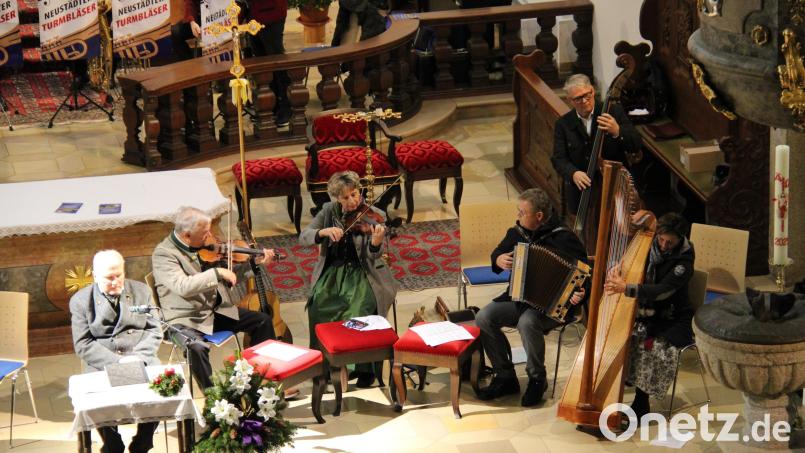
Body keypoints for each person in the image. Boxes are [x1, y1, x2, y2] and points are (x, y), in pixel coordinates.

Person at [475, 188, 588, 407]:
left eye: (522, 212)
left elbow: (585, 273)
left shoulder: (563, 237)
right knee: (483, 317)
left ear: (539, 216)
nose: (517, 216)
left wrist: (581, 294)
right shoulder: (518, 233)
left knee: (527, 322)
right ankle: (505, 375)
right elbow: (496, 253)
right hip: (519, 298)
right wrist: (498, 260)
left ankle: (537, 379)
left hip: (555, 308)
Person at [151, 206, 276, 390]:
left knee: (262, 321)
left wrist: (254, 263)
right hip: (184, 319)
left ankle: (263, 382)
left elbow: (228, 279)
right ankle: (212, 399)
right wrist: (217, 272)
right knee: (196, 347)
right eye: (204, 232)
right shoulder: (164, 254)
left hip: (212, 311)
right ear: (187, 235)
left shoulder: (200, 246)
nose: (209, 236)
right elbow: (182, 286)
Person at [299, 170, 398, 387]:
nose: (352, 201)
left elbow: (373, 257)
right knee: (318, 305)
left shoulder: (374, 214)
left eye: (354, 194)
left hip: (364, 273)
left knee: (359, 308)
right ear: (337, 198)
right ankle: (327, 365)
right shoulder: (328, 211)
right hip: (333, 273)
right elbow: (304, 236)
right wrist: (323, 233)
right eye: (345, 197)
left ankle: (364, 368)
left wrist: (375, 242)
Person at [604, 212, 695, 420]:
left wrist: (627, 287)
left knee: (649, 346)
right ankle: (616, 391)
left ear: (680, 238)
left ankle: (641, 402)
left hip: (672, 318)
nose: (663, 245)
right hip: (647, 313)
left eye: (669, 242)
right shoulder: (647, 244)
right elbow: (628, 267)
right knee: (617, 337)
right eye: (661, 239)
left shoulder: (684, 262)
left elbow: (662, 291)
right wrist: (618, 269)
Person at [70, 250, 162, 453]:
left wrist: (139, 357)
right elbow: (83, 343)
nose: (115, 281)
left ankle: (143, 442)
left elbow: (154, 330)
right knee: (96, 401)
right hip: (103, 362)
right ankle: (112, 442)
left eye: (119, 275)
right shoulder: (80, 301)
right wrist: (117, 362)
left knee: (161, 391)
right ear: (95, 276)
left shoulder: (141, 291)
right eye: (109, 278)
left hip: (140, 356)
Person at [550, 73, 641, 214]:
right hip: (583, 192)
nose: (585, 101)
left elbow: (635, 144)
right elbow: (558, 159)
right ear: (570, 100)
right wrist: (573, 173)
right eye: (578, 98)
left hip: (614, 186)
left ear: (592, 90)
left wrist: (617, 131)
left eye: (588, 94)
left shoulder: (613, 111)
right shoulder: (563, 124)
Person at [247, 0, 292, 127]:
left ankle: (287, 107)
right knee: (262, 64)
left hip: (271, 13)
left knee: (276, 62)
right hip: (253, 17)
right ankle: (270, 106)